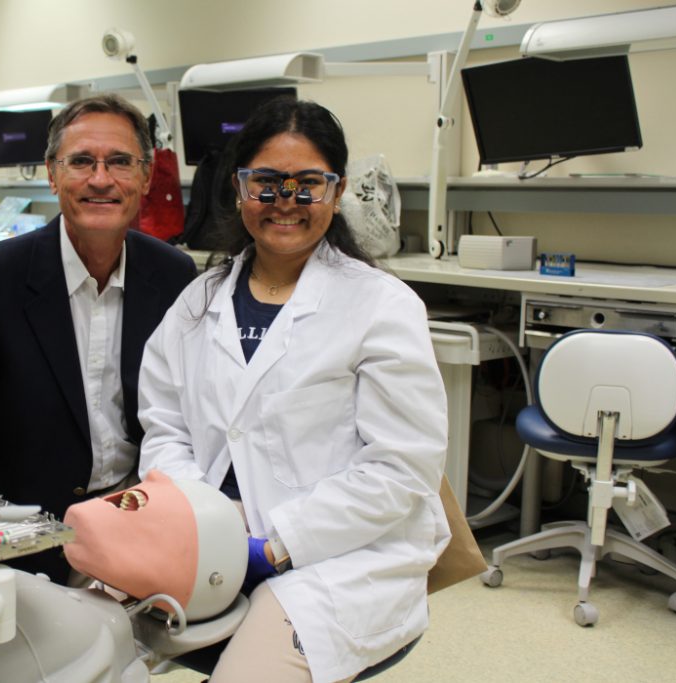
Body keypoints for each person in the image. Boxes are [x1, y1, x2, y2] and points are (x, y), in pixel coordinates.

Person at [137, 97, 450, 683]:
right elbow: (165, 424)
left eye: (308, 184)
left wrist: (276, 545)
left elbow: (401, 469)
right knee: (86, 635)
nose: (286, 202)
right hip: (210, 534)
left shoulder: (381, 305)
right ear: (238, 188)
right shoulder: (198, 301)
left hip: (343, 555)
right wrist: (199, 517)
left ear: (337, 192)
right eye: (266, 183)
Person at [0, 93, 197, 584]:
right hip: (25, 534)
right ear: (52, 174)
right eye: (81, 162)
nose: (100, 179)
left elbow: (186, 411)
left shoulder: (173, 276)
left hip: (138, 516)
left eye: (119, 162)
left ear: (147, 177)